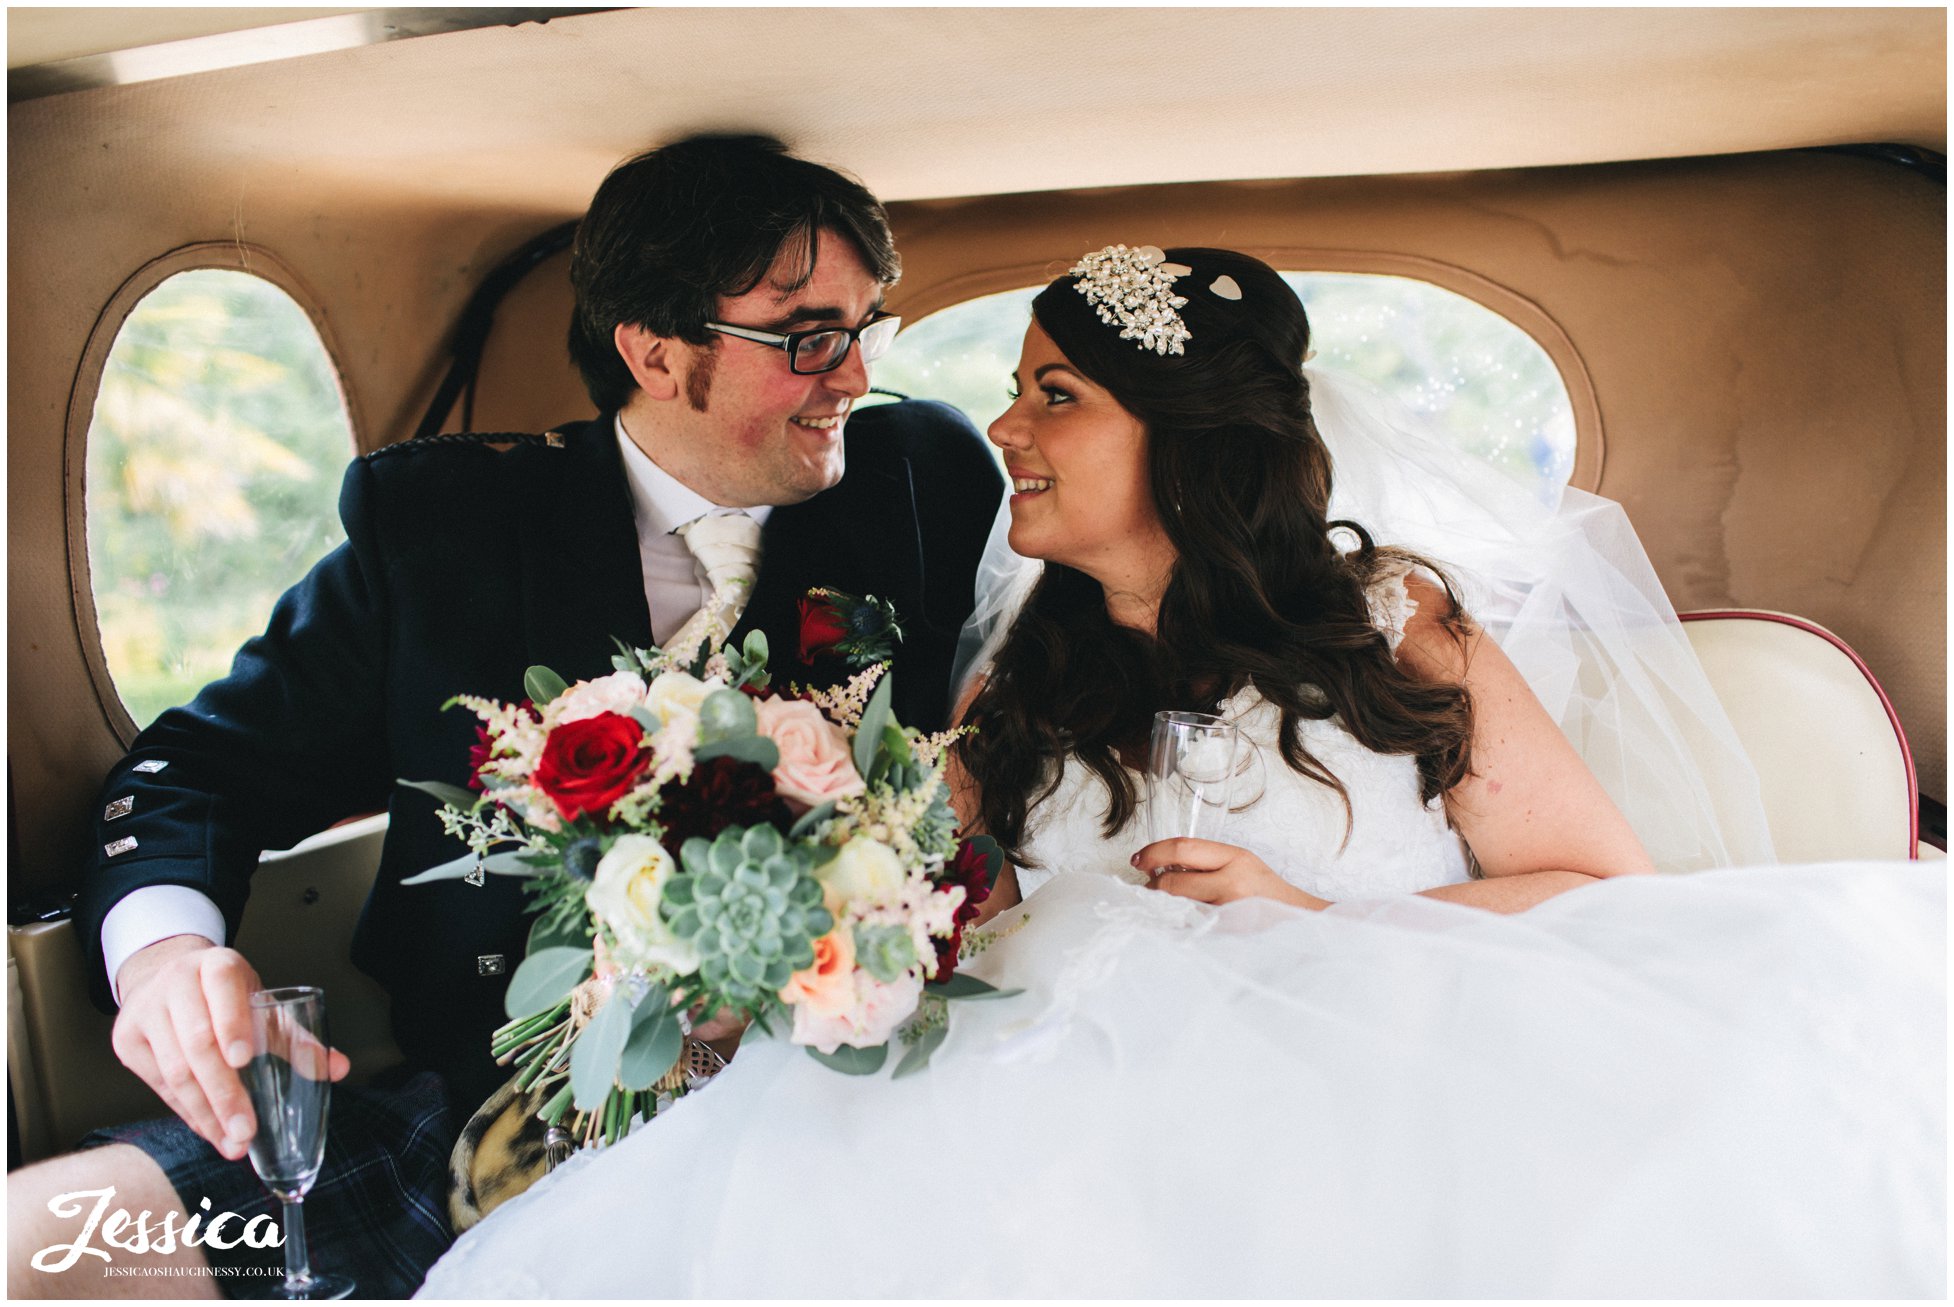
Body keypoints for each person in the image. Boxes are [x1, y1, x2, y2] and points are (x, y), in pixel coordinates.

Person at [413, 247, 1942, 1298]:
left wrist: (1315, 926)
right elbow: (940, 903)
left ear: (1190, 445)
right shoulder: (1020, 675)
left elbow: (1605, 887)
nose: (1001, 425)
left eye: (1054, 393)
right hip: (1055, 1128)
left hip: (1388, 1110)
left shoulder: (1393, 628)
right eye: (1017, 387)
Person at [8, 134, 1002, 1299]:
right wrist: (170, 958)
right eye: (807, 337)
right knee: (36, 1250)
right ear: (655, 350)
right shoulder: (446, 530)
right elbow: (194, 772)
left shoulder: (923, 475)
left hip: (837, 1096)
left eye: (863, 326)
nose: (852, 375)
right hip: (491, 1109)